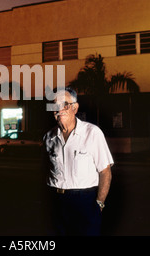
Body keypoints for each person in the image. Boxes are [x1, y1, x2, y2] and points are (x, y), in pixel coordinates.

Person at [43, 87, 114, 236]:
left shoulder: (92, 133)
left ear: (75, 108)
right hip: (56, 201)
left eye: (65, 105)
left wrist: (99, 203)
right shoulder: (48, 137)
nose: (59, 109)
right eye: (55, 106)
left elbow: (105, 172)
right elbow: (45, 169)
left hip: (85, 202)